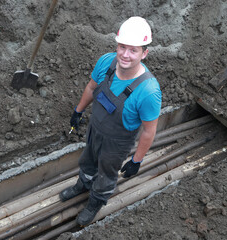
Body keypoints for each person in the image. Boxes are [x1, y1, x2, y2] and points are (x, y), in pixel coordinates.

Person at [60, 16, 162, 226]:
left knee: (106, 174)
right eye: (122, 47)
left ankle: (95, 202)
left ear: (145, 53)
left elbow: (149, 131)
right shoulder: (106, 62)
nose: (125, 54)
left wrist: (137, 160)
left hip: (117, 143)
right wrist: (78, 111)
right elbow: (90, 88)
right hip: (95, 129)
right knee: (87, 161)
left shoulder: (149, 91)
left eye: (133, 50)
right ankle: (83, 184)